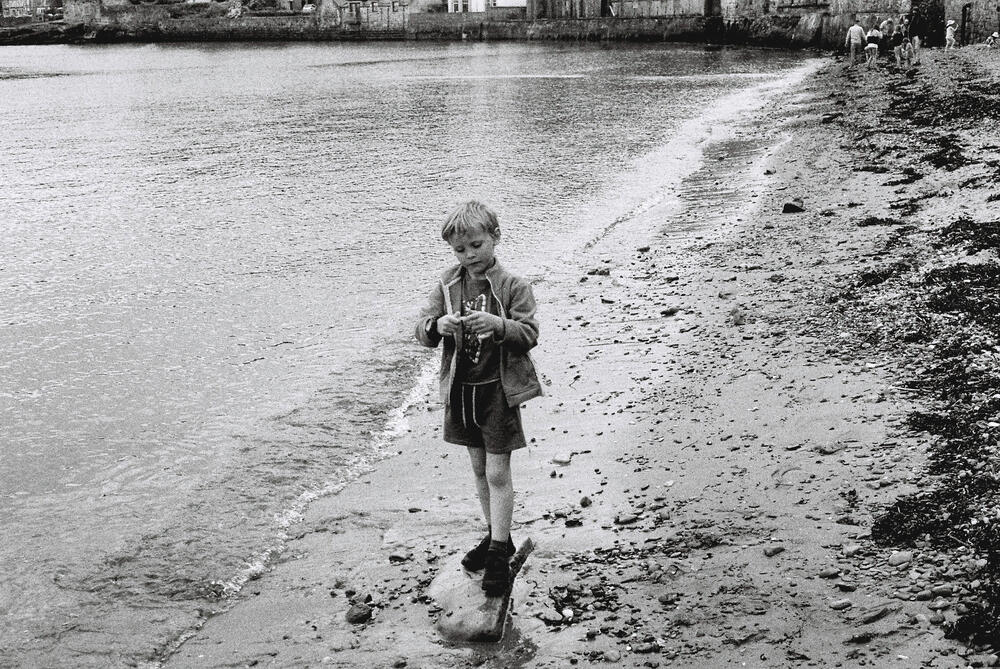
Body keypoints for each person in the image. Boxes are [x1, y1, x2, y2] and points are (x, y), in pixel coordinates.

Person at [415, 200, 542, 596]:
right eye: (460, 249)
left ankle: (500, 553)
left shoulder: (512, 285)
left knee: (497, 473)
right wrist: (438, 325)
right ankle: (493, 536)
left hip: (497, 393)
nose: (469, 255)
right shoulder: (448, 284)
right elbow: (421, 331)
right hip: (462, 393)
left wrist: (498, 325)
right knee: (477, 470)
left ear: (495, 238)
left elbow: (529, 334)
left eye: (476, 245)